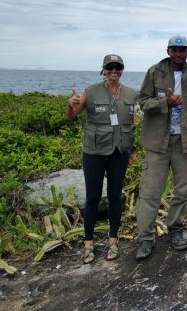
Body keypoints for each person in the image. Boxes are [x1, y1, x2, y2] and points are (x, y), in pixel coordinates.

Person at [135, 35, 187, 259]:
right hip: (157, 143)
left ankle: (175, 230)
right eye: (174, 50)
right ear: (168, 51)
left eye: (182, 50)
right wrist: (167, 102)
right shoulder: (155, 72)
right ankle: (145, 239)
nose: (178, 54)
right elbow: (143, 102)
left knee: (183, 190)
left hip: (183, 143)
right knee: (150, 192)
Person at [66, 54, 137, 264]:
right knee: (93, 198)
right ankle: (88, 243)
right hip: (94, 152)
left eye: (118, 67)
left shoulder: (131, 94)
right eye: (110, 67)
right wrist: (70, 104)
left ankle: (113, 240)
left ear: (122, 69)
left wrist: (131, 150)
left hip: (119, 152)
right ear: (104, 70)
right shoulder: (91, 91)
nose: (114, 70)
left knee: (116, 196)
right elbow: (71, 116)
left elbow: (131, 125)